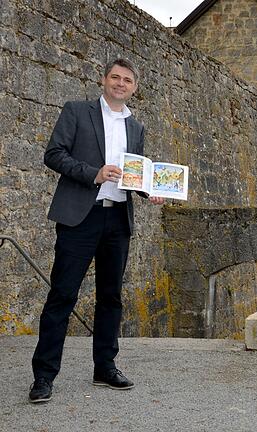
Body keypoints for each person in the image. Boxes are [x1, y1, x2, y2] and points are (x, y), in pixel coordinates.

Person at [29, 58, 165, 403]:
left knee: (111, 297)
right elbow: (53, 154)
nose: (121, 83)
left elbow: (135, 175)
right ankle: (44, 376)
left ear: (135, 87)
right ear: (104, 81)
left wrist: (151, 190)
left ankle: (104, 366)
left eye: (128, 80)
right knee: (62, 296)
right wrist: (94, 172)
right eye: (115, 77)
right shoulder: (77, 111)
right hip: (80, 217)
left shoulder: (137, 127)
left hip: (118, 219)